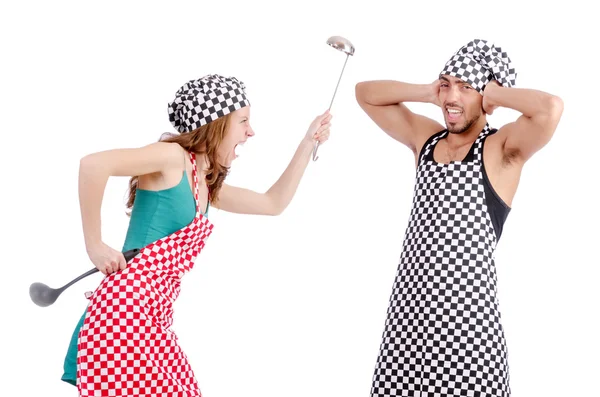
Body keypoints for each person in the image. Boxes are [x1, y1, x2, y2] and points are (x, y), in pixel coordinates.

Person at [60, 73, 332, 396]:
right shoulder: (172, 159)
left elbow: (272, 203)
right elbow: (92, 165)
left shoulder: (204, 185)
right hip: (126, 313)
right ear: (215, 124)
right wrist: (94, 244)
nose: (250, 131)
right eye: (243, 120)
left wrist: (307, 144)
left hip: (154, 318)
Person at [355, 39, 563, 396]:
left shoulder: (501, 149)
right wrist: (428, 91)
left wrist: (495, 93)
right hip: (409, 323)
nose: (452, 97)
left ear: (486, 95)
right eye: (447, 83)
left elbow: (550, 109)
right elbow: (364, 93)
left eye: (466, 87)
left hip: (468, 332)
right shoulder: (426, 139)